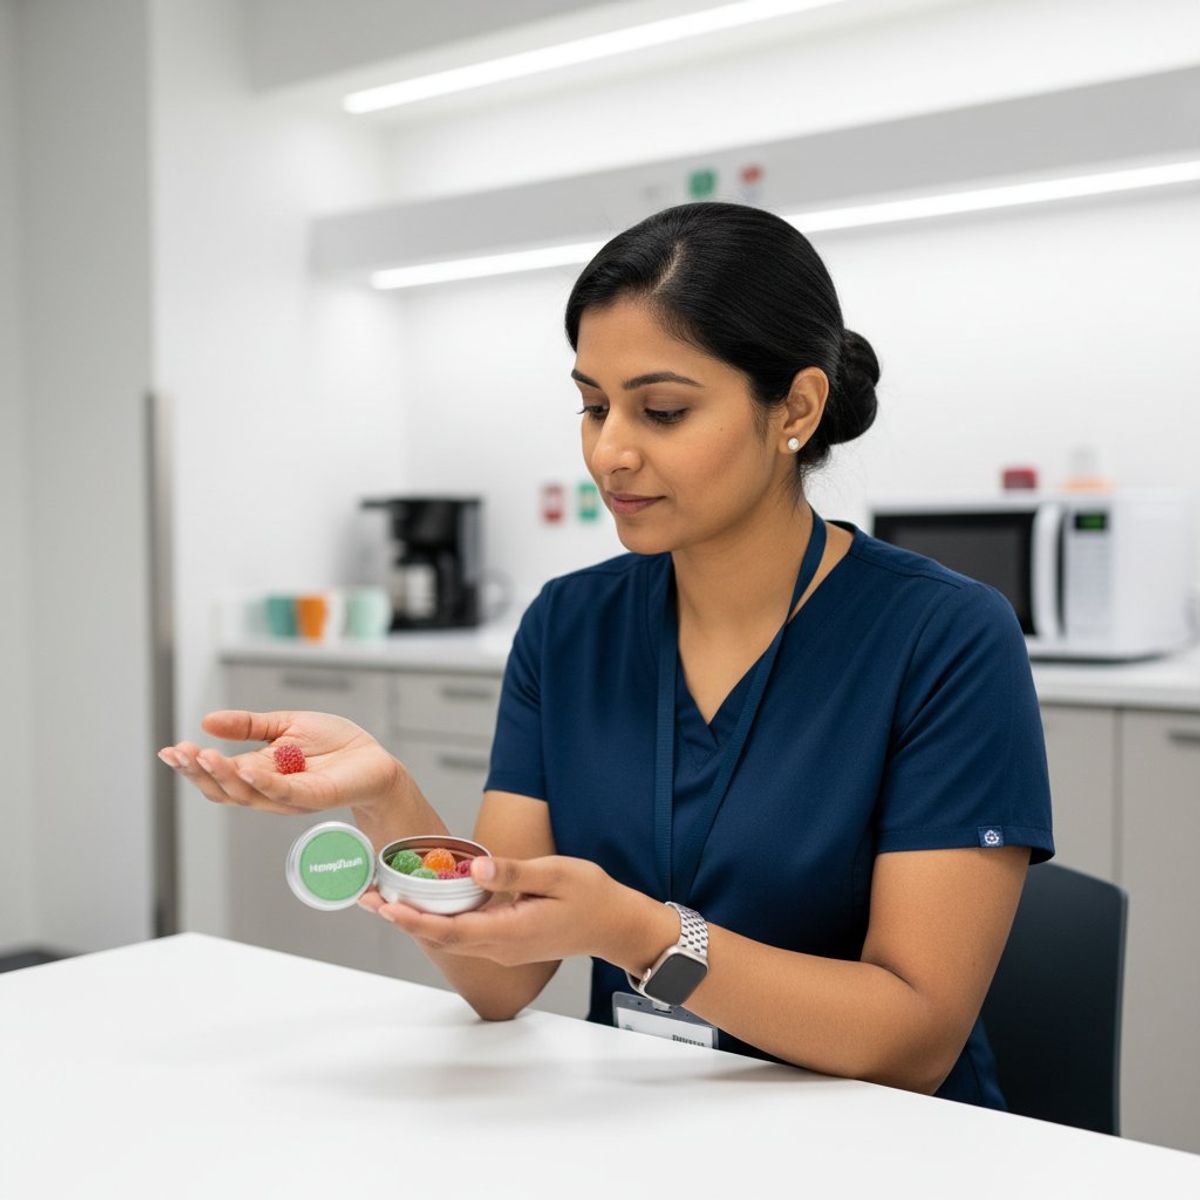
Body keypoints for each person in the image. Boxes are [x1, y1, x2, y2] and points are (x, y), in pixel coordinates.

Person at [160, 202, 1054, 1108]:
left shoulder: (943, 638)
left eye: (662, 411)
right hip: (638, 1117)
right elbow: (505, 978)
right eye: (592, 407)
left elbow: (913, 1044)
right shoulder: (569, 626)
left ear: (796, 407)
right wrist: (388, 798)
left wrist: (641, 934)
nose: (609, 453)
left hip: (882, 1147)